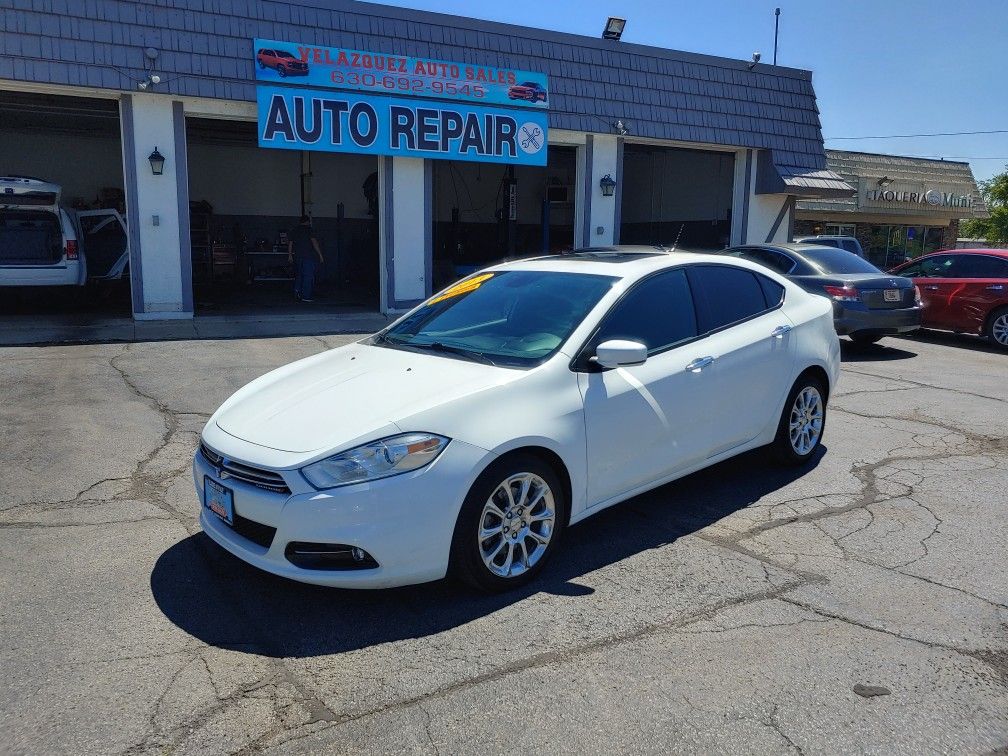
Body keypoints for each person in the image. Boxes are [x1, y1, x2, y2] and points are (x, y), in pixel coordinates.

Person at [287, 215, 324, 301]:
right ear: (308, 221)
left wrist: (290, 255)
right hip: (308, 256)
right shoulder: (309, 230)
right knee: (308, 276)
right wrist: (320, 255)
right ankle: (306, 296)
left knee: (299, 274)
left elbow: (290, 243)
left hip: (297, 256)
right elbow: (314, 243)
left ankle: (297, 291)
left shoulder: (294, 230)